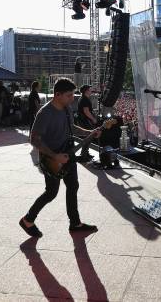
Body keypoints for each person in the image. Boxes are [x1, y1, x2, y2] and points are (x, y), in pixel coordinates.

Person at [20, 78, 101, 237]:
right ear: (57, 94)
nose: (72, 99)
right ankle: (28, 219)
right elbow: (34, 139)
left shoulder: (66, 108)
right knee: (51, 193)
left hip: (68, 154)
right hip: (52, 160)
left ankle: (75, 223)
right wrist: (54, 156)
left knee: (73, 187)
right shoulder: (45, 113)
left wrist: (88, 133)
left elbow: (71, 127)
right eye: (69, 95)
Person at [76, 84, 97, 162]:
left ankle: (85, 153)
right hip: (85, 121)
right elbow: (86, 111)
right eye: (89, 89)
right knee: (88, 137)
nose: (91, 90)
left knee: (88, 137)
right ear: (86, 91)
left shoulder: (83, 98)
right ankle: (84, 154)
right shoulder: (84, 99)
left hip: (83, 120)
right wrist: (93, 119)